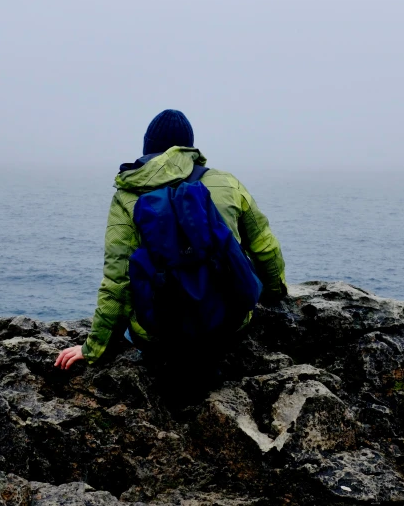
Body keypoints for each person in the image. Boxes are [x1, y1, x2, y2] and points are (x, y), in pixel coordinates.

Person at [54, 109, 286, 371]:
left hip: (161, 337)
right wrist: (276, 295)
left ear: (147, 147)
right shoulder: (227, 183)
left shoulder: (128, 194)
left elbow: (118, 280)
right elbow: (265, 246)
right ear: (190, 147)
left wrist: (93, 349)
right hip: (230, 326)